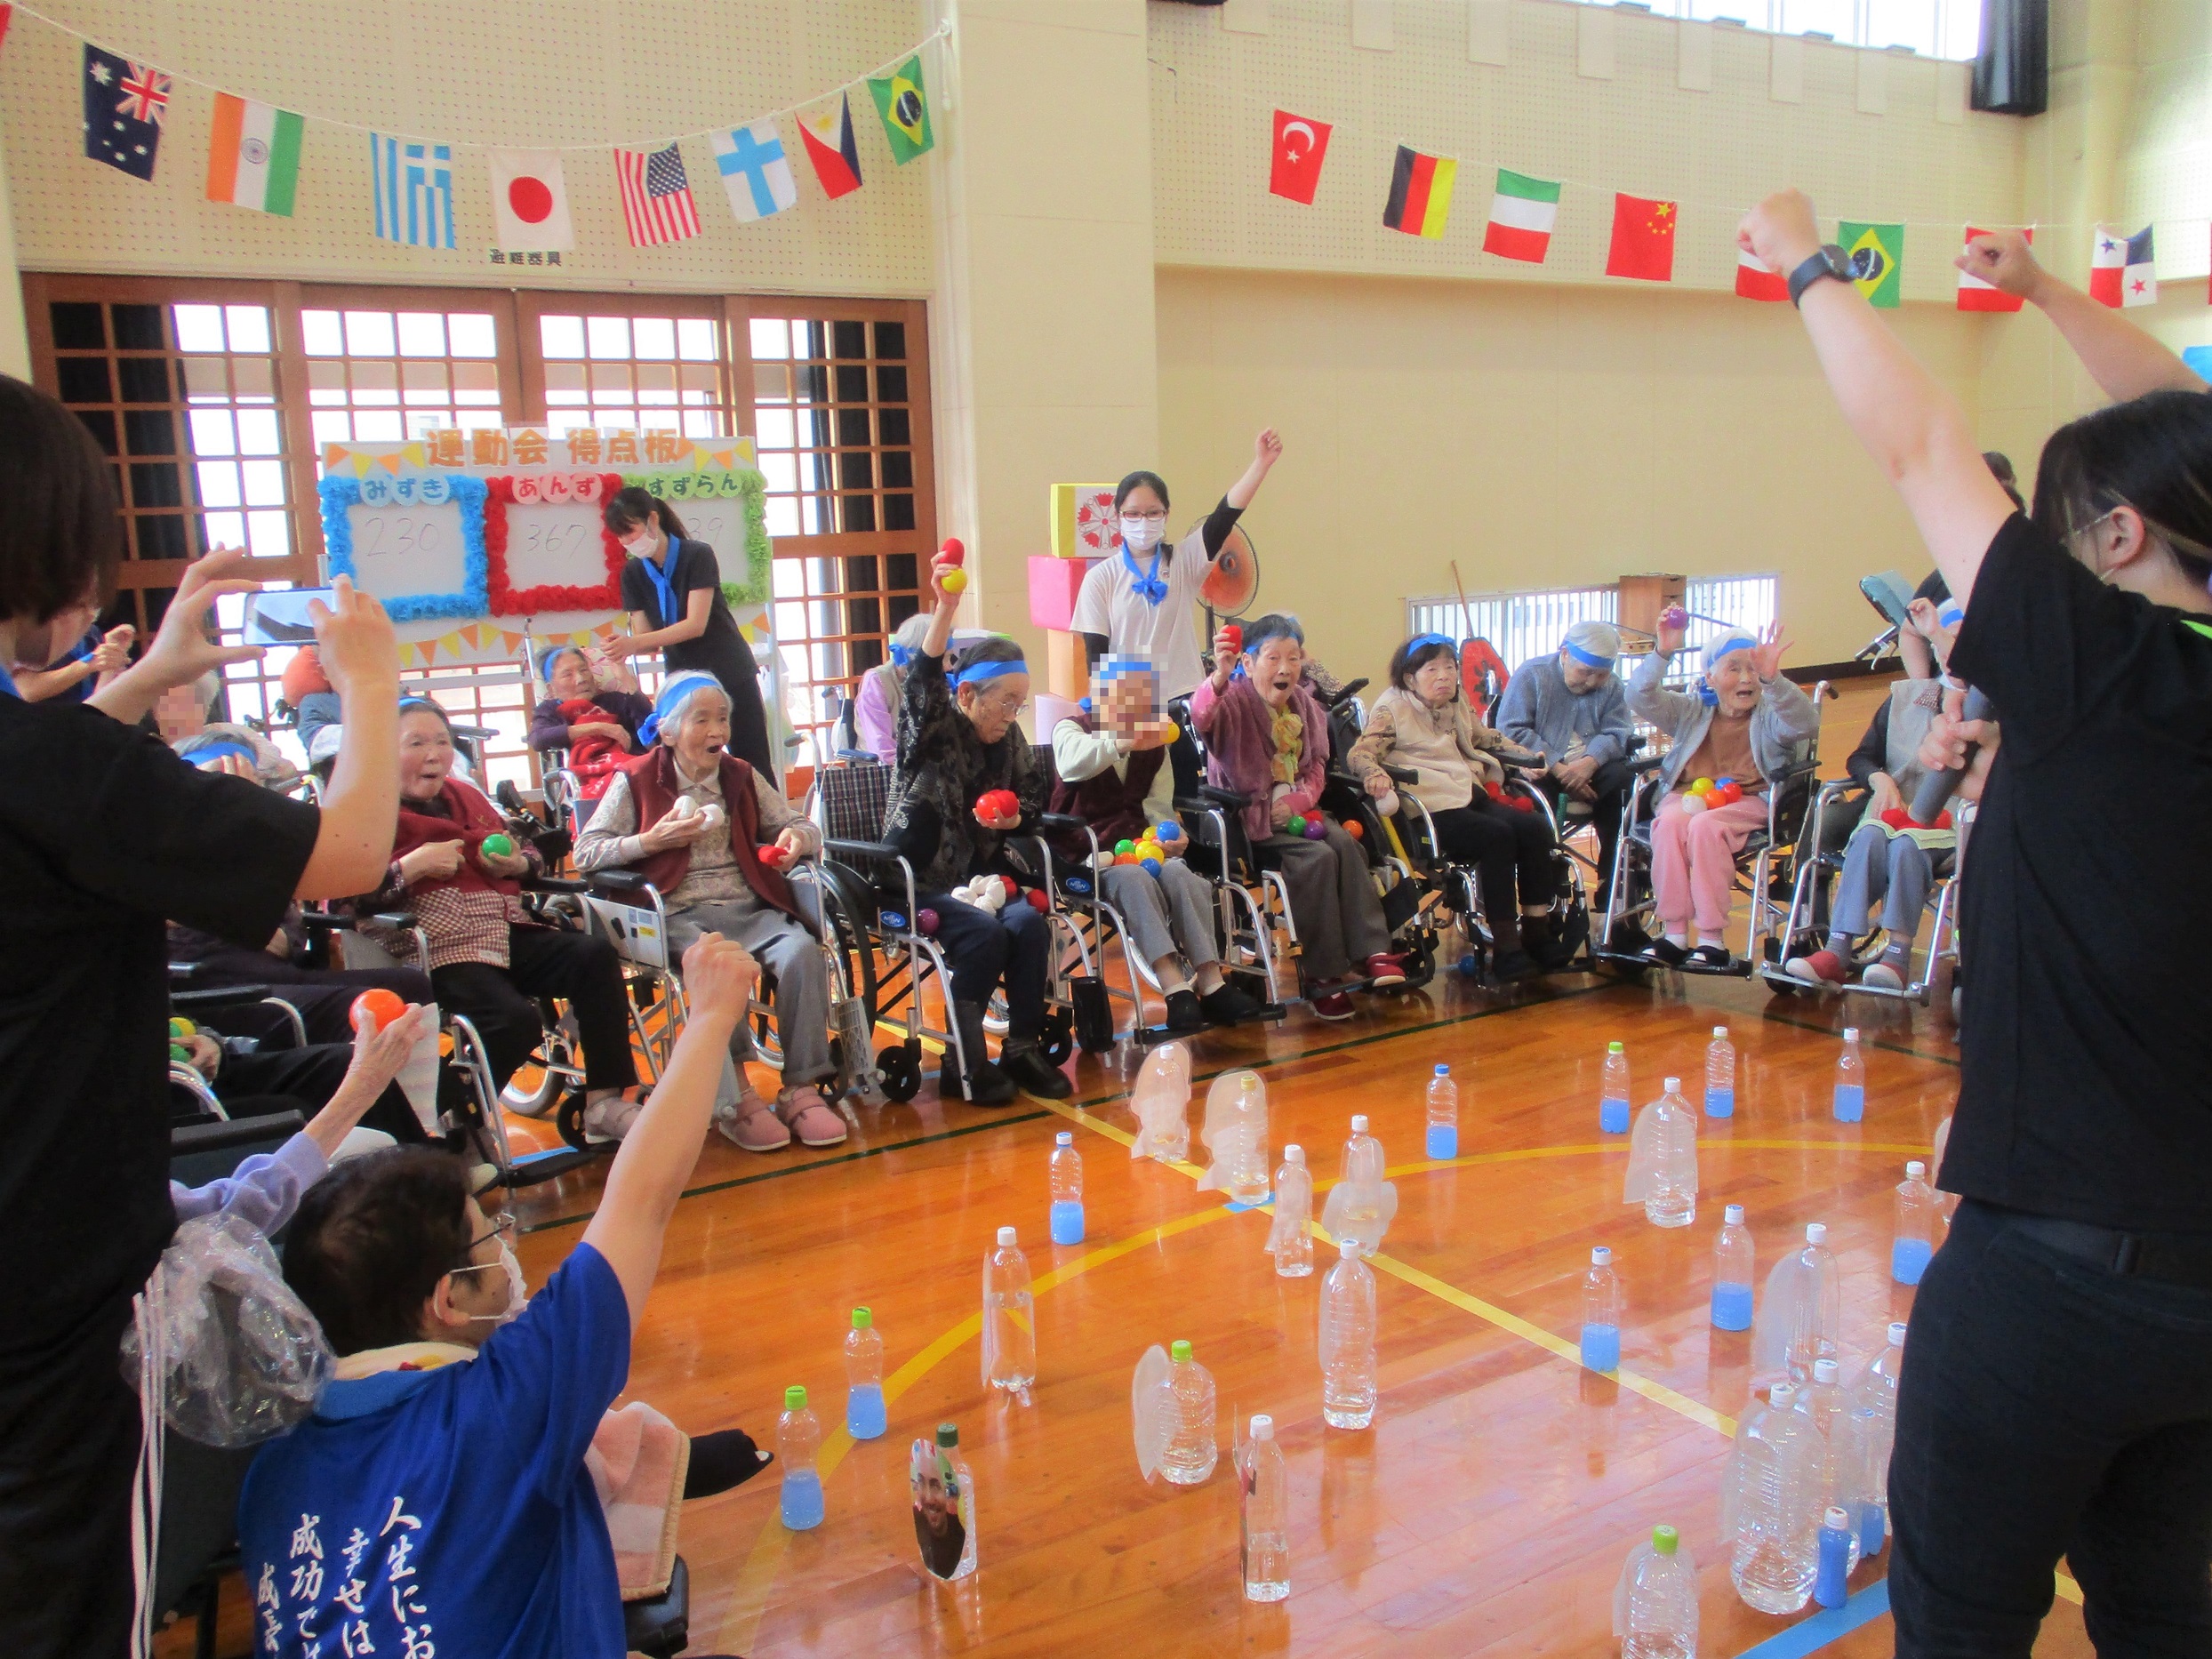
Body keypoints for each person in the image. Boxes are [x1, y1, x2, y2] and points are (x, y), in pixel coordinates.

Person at [1739, 192, 2212, 1657]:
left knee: (1958, 1618)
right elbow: (2195, 437)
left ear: (2119, 536)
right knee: (2163, 1613)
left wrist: (1806, 262)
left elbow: (1920, 445)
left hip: (2056, 1281)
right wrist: (2053, 293)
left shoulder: (2104, 667)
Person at [0, 371, 402, 1659]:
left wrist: (131, 691)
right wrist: (371, 684)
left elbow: (49, 793)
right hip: (51, 1294)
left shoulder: (53, 761)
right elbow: (348, 852)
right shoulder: (61, 768)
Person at [236, 934, 762, 1659]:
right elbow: (641, 1200)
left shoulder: (268, 1475)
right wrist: (709, 1015)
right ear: (446, 1302)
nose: (507, 1252)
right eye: (490, 1238)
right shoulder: (498, 1412)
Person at [573, 671, 846, 1152]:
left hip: (749, 905)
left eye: (722, 718)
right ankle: (736, 1096)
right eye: (702, 720)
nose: (717, 730)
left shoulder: (739, 775)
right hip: (676, 911)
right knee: (719, 967)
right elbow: (586, 852)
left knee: (803, 952)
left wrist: (796, 838)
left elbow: (801, 823)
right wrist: (649, 841)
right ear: (668, 731)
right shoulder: (634, 779)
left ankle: (801, 1088)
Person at [366, 696, 645, 1142]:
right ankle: (446, 1123)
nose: (434, 754)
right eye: (416, 743)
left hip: (504, 929)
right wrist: (410, 868)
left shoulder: (467, 796)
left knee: (592, 955)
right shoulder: (367, 812)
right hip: (437, 947)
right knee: (512, 1020)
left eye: (442, 741)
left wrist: (518, 864)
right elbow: (341, 899)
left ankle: (602, 1103)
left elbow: (529, 850)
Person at [885, 553, 1073, 1105]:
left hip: (983, 881)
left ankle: (1020, 1047)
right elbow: (922, 686)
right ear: (967, 695)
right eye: (1006, 702)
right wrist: (945, 609)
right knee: (985, 934)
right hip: (918, 880)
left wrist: (1017, 818)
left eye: (1021, 702)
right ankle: (960, 1060)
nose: (1014, 713)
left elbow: (1033, 799)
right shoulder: (933, 732)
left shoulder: (1009, 739)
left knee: (1029, 925)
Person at [1190, 613, 1403, 1020]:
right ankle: (1322, 975)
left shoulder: (1305, 705)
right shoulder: (1231, 700)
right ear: (1249, 662)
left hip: (1299, 813)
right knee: (1318, 858)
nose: (1285, 668)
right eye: (1273, 658)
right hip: (1250, 822)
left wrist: (1301, 800)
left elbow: (1318, 764)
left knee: (1346, 844)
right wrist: (1220, 675)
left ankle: (1374, 951)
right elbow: (1201, 716)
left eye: (1293, 657)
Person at [1050, 654, 1268, 1031]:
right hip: (1089, 856)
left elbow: (1156, 805)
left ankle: (1212, 982)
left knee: (1183, 875)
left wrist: (1170, 834)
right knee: (1134, 879)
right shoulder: (1071, 730)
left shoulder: (1154, 744)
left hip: (1141, 845)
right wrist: (1125, 740)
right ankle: (1175, 989)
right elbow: (1072, 766)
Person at [1352, 633, 1564, 979]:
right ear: (1410, 678)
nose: (1444, 676)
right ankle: (1507, 947)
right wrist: (1374, 774)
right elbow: (1360, 753)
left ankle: (1537, 933)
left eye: (1450, 667)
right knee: (1497, 836)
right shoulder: (1392, 709)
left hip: (1467, 794)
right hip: (1431, 809)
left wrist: (1525, 757)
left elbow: (1484, 737)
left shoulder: (1456, 702)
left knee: (1534, 828)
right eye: (1432, 669)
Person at [1627, 620, 1817, 968]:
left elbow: (1806, 724)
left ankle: (1712, 940)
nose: (1747, 679)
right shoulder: (1691, 710)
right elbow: (1638, 695)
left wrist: (1774, 680)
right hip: (1688, 795)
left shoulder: (1770, 714)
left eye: (1753, 669)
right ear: (1710, 677)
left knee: (1705, 827)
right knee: (1668, 825)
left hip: (1749, 799)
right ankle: (1674, 935)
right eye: (1734, 669)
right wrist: (1662, 652)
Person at [1071, 428, 1283, 703]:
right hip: (1128, 702)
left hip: (1183, 694)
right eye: (1133, 514)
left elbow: (1224, 516)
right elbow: (1095, 656)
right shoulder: (1100, 578)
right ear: (1117, 516)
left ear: (1166, 514)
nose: (1143, 521)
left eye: (1153, 513)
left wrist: (1261, 464)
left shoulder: (1184, 561)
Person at [172, 1004, 430, 1228]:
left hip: (195, 1072)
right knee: (294, 1112)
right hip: (177, 1100)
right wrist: (364, 1086)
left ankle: (432, 1182)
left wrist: (207, 1039)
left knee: (341, 1062)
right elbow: (221, 1217)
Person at [1783, 670, 1962, 991]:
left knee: (1906, 846)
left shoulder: (1986, 706)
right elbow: (1861, 758)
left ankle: (1897, 956)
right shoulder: (1905, 696)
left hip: (1951, 819)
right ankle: (1836, 950)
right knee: (1867, 836)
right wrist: (1880, 779)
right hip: (1892, 812)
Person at [598, 486, 773, 776]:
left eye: (631, 531)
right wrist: (621, 645)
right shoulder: (633, 573)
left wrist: (634, 643)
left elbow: (695, 625)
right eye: (620, 536)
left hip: (728, 669)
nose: (627, 542)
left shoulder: (697, 554)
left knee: (752, 762)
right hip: (684, 680)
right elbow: (646, 640)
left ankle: (764, 808)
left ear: (653, 520)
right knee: (691, 765)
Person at [1495, 620, 1639, 907]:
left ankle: (1612, 880)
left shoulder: (1611, 685)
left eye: (1601, 674)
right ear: (1564, 654)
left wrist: (1590, 763)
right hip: (1543, 767)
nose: (1592, 682)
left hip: (1593, 769)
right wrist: (1560, 769)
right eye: (1585, 672)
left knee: (1624, 784)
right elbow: (1512, 729)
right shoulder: (1532, 675)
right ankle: (1547, 882)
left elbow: (1618, 731)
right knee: (1536, 792)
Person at [528, 644, 652, 812]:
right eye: (568, 674)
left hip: (631, 772)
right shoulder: (551, 710)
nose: (581, 679)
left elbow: (650, 724)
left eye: (584, 670)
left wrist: (625, 677)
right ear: (551, 689)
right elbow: (538, 738)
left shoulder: (615, 701)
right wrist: (599, 728)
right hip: (587, 780)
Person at [852, 612, 932, 765]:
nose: (949, 666)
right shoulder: (877, 681)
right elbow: (881, 749)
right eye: (942, 658)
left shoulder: (935, 682)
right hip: (883, 769)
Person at [14, 605, 131, 702]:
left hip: (83, 719)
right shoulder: (34, 633)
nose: (90, 613)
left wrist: (110, 665)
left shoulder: (92, 633)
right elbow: (25, 690)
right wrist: (88, 663)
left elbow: (97, 704)